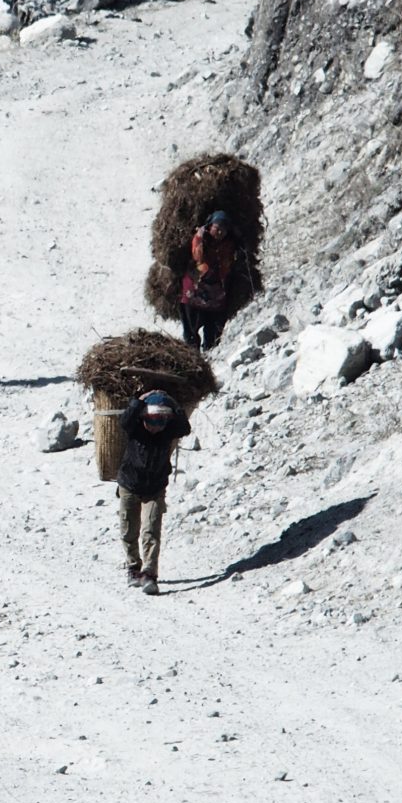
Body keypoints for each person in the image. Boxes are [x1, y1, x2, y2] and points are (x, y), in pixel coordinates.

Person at [116, 390, 191, 595]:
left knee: (151, 530)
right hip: (130, 485)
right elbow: (125, 421)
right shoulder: (134, 429)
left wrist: (173, 401)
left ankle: (149, 574)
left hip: (155, 488)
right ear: (143, 417)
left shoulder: (168, 432)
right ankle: (133, 568)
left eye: (161, 421)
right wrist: (139, 401)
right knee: (128, 529)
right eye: (152, 420)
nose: (156, 426)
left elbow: (185, 427)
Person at [180, 210, 238, 351]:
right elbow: (198, 257)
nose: (220, 233)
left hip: (216, 293)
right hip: (195, 289)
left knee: (212, 328)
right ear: (210, 226)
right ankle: (192, 350)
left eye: (223, 230)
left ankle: (209, 349)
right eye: (217, 228)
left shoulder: (229, 244)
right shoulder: (199, 238)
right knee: (191, 327)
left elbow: (228, 265)